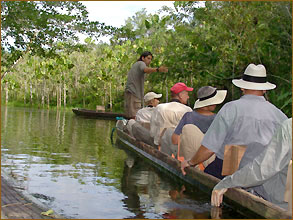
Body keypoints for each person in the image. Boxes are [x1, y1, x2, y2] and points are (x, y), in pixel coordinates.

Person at [181, 63, 288, 179]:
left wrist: (190, 163)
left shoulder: (230, 109)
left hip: (228, 171)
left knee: (190, 132)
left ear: (242, 87)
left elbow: (209, 148)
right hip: (263, 174)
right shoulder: (279, 116)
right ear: (265, 90)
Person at [211, 118, 292, 212]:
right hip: (260, 167)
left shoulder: (289, 126)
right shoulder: (278, 114)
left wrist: (227, 182)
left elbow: (264, 169)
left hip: (234, 160)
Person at [171, 86, 227, 166]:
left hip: (198, 159)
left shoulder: (188, 116)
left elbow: (175, 140)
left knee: (188, 130)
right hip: (213, 158)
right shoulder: (218, 118)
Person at [150, 82, 193, 153]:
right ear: (181, 95)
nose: (188, 97)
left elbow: (152, 132)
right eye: (187, 94)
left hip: (160, 146)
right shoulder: (187, 110)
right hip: (179, 149)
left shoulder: (159, 108)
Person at [125, 51, 168, 119]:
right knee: (134, 115)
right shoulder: (141, 63)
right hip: (133, 93)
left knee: (135, 114)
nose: (149, 61)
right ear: (143, 58)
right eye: (148, 58)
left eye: (150, 59)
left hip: (133, 93)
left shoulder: (136, 65)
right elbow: (146, 70)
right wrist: (158, 69)